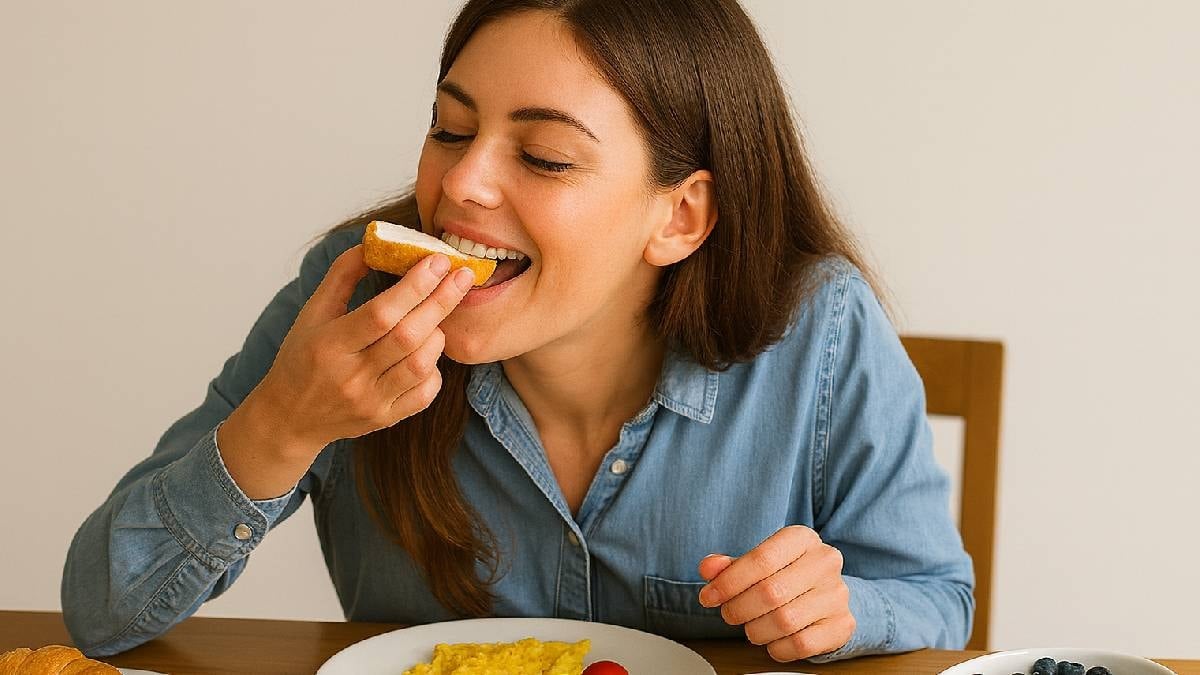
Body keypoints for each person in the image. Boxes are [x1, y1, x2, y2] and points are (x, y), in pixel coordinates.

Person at [62, 0, 973, 664]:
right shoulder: (349, 297)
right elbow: (100, 614)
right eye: (450, 129)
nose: (462, 186)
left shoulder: (819, 326)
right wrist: (281, 427)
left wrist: (842, 608)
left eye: (543, 157)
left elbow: (938, 600)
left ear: (681, 217)